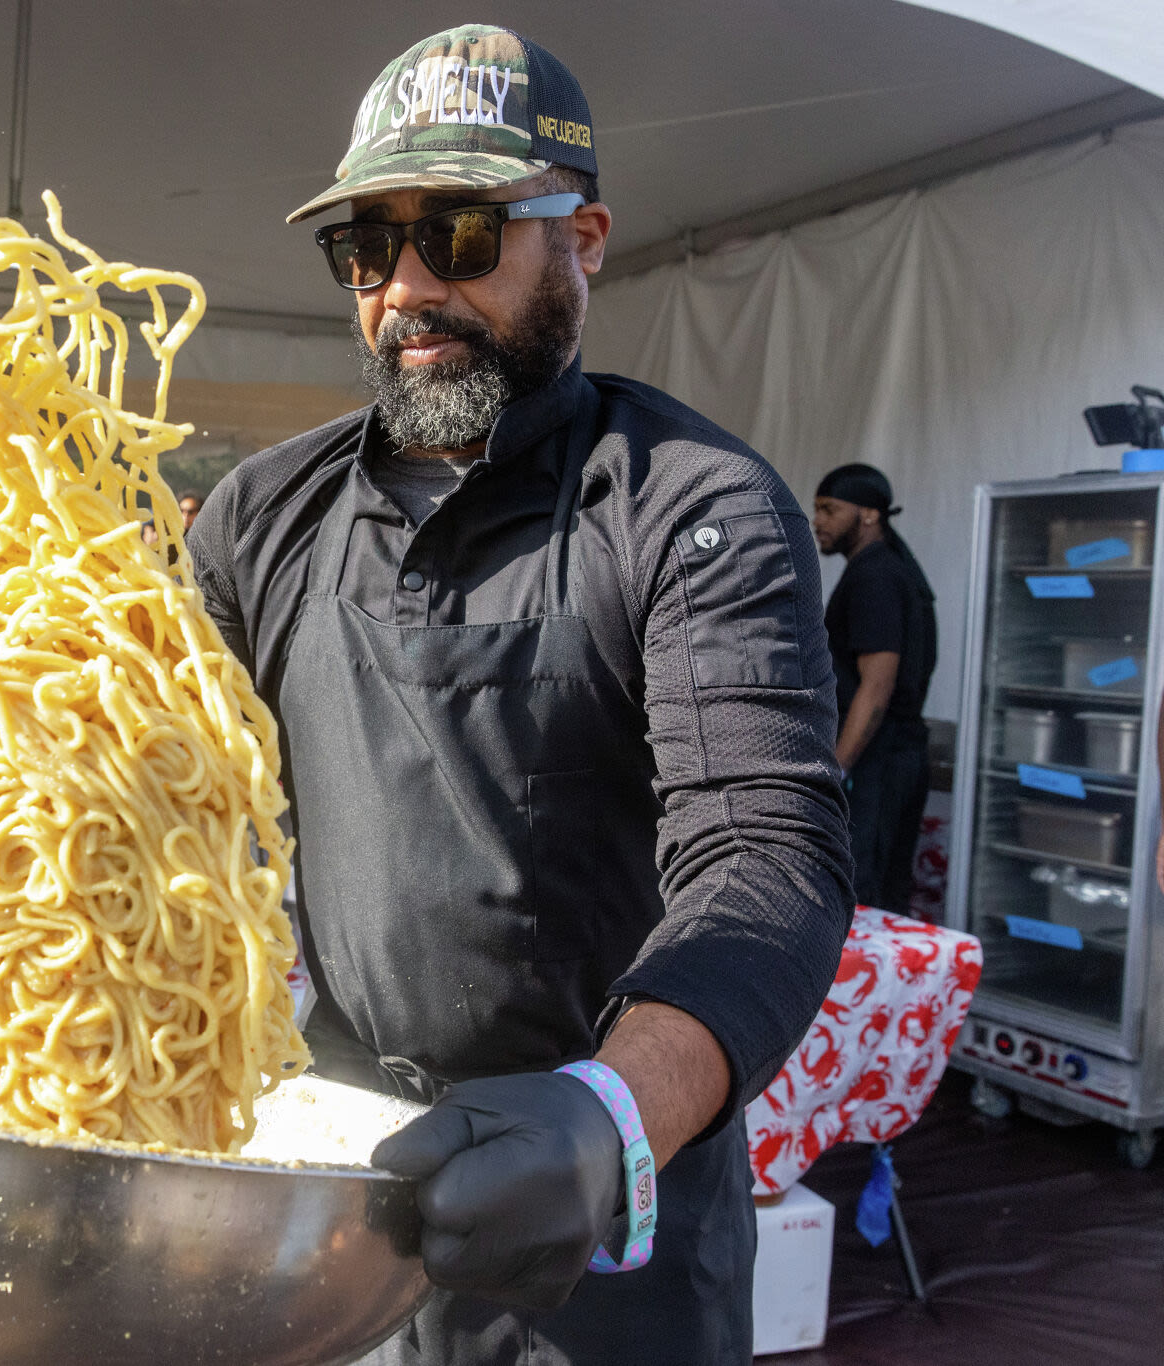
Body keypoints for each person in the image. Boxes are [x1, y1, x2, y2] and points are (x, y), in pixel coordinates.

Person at [185, 26, 852, 1364]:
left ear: (585, 239)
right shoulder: (262, 515)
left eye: (464, 235)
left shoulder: (690, 507)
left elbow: (765, 851)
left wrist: (608, 1113)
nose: (408, 289)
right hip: (333, 1186)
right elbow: (154, 790)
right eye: (367, 249)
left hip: (608, 1217)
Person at [812, 463, 939, 911]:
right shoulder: (879, 568)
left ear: (869, 514)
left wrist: (835, 771)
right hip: (888, 761)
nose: (818, 521)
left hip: (879, 765)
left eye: (830, 509)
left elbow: (877, 686)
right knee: (877, 885)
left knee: (867, 893)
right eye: (816, 509)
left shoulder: (876, 577)